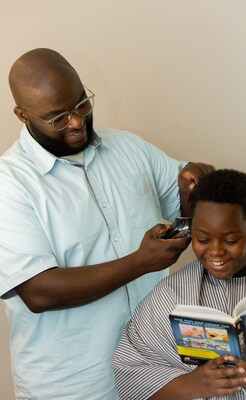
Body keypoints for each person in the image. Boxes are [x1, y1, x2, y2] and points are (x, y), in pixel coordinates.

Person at [0, 48, 214, 400]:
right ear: (23, 115)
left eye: (82, 104)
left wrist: (194, 184)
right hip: (73, 386)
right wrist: (139, 262)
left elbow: (187, 207)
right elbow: (38, 291)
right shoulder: (11, 184)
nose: (76, 122)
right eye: (58, 117)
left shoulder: (129, 147)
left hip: (156, 371)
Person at [113, 169, 246, 400]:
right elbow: (130, 375)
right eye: (203, 239)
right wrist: (192, 384)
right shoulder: (169, 296)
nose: (216, 251)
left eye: (230, 240)